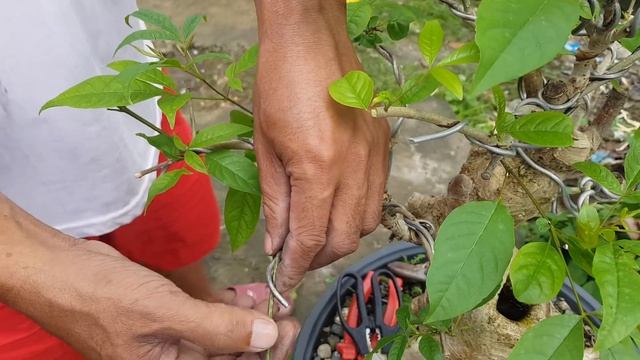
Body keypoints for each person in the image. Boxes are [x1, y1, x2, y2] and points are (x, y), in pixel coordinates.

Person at [0, 0, 389, 358]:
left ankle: (202, 301)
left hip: (102, 69)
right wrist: (37, 270)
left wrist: (304, 22)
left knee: (171, 231)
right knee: (54, 336)